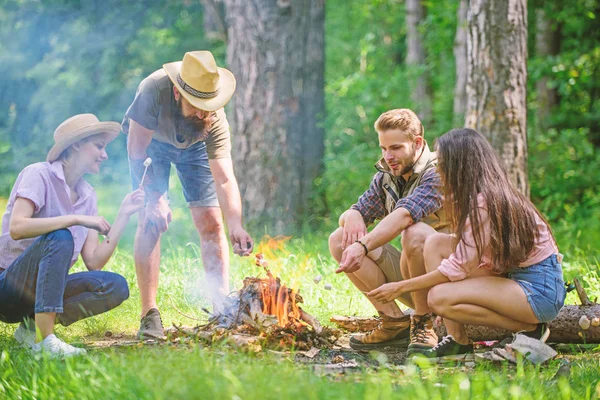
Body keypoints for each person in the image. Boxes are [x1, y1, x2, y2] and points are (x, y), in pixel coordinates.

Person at [368, 128, 566, 362]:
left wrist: (400, 287)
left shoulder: (484, 203)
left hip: (538, 291)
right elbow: (466, 257)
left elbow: (456, 269)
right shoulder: (478, 196)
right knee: (435, 243)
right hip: (515, 277)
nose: (438, 169)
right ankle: (457, 340)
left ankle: (529, 328)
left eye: (442, 163)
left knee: (439, 298)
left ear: (460, 165)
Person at [122, 50, 254, 339]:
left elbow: (225, 179)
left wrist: (236, 224)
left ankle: (221, 307)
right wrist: (155, 199)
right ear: (177, 93)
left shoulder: (210, 118)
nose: (204, 113)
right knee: (150, 220)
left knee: (212, 222)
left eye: (209, 106)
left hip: (194, 145)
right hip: (150, 147)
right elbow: (136, 152)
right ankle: (149, 313)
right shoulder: (152, 91)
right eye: (197, 105)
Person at [0, 114, 144, 357]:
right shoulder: (38, 174)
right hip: (7, 288)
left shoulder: (88, 195)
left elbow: (94, 261)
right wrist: (75, 219)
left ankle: (31, 327)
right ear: (76, 144)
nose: (105, 155)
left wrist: (123, 215)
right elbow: (17, 227)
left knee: (114, 285)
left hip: (42, 292)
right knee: (60, 236)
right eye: (99, 146)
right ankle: (45, 342)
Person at [331, 109, 449, 353]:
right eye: (383, 149)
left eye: (395, 148)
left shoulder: (439, 170)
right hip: (413, 280)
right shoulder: (387, 175)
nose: (388, 156)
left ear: (417, 143)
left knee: (413, 232)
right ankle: (394, 322)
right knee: (339, 239)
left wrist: (363, 245)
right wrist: (352, 214)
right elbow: (360, 209)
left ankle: (423, 322)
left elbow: (405, 215)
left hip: (450, 278)